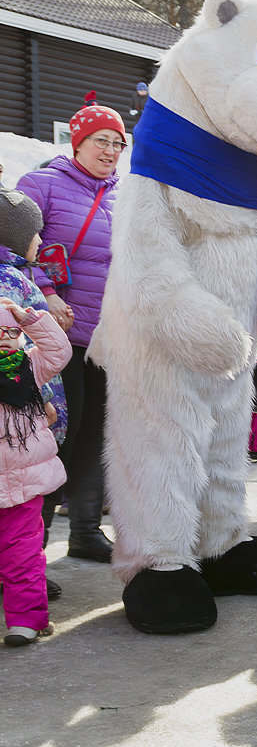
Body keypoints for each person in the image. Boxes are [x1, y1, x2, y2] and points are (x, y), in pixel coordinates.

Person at [16, 105, 125, 564]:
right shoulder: (40, 186)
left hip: (108, 338)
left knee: (97, 434)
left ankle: (84, 531)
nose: (111, 150)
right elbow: (14, 246)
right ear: (76, 140)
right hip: (53, 337)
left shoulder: (129, 196)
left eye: (118, 143)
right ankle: (28, 554)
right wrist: (47, 293)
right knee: (56, 436)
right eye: (102, 140)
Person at [0, 187, 69, 601]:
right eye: (35, 233)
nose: (41, 241)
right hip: (23, 420)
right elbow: (41, 360)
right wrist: (52, 409)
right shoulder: (16, 284)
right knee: (26, 508)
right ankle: (26, 578)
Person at [0, 297, 72, 646]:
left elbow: (60, 350)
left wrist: (28, 318)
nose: (5, 337)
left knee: (23, 557)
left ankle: (27, 621)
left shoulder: (30, 368)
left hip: (25, 486)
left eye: (11, 331)